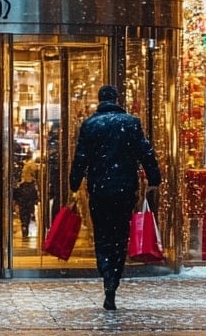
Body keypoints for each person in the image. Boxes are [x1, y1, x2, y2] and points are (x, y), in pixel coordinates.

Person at [68, 85, 161, 310]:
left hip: (99, 189)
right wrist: (154, 177)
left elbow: (81, 157)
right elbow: (145, 152)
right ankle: (114, 279)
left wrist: (74, 182)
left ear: (99, 100)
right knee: (120, 234)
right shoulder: (131, 123)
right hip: (124, 188)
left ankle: (106, 273)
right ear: (117, 99)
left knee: (102, 234)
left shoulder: (90, 125)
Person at [14, 152, 40, 238]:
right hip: (29, 188)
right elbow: (36, 176)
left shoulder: (21, 165)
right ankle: (25, 225)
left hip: (23, 189)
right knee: (28, 209)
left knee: (23, 209)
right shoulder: (32, 165)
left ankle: (24, 225)